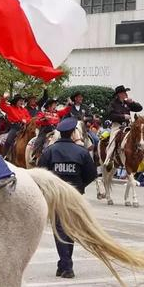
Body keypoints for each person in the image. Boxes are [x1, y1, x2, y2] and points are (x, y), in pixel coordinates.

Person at [38, 117, 97, 278]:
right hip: (75, 196)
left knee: (60, 229)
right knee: (69, 229)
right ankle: (64, 264)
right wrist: (80, 187)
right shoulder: (82, 152)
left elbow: (40, 171)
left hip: (56, 196)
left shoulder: (49, 151)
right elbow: (92, 174)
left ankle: (66, 265)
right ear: (73, 133)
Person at [103, 85, 143, 167]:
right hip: (117, 126)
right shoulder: (113, 103)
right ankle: (108, 160)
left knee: (139, 137)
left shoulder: (127, 103)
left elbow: (139, 108)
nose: (126, 94)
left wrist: (132, 102)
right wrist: (123, 117)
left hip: (128, 126)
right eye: (124, 92)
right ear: (120, 94)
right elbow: (111, 115)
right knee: (113, 140)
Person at [0, 92, 31, 157]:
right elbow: (2, 106)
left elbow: (29, 118)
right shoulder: (10, 108)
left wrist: (25, 120)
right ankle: (5, 155)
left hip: (25, 127)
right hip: (15, 127)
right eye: (20, 101)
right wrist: (4, 98)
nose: (21, 102)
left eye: (22, 101)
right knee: (9, 140)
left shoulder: (24, 110)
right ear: (16, 101)